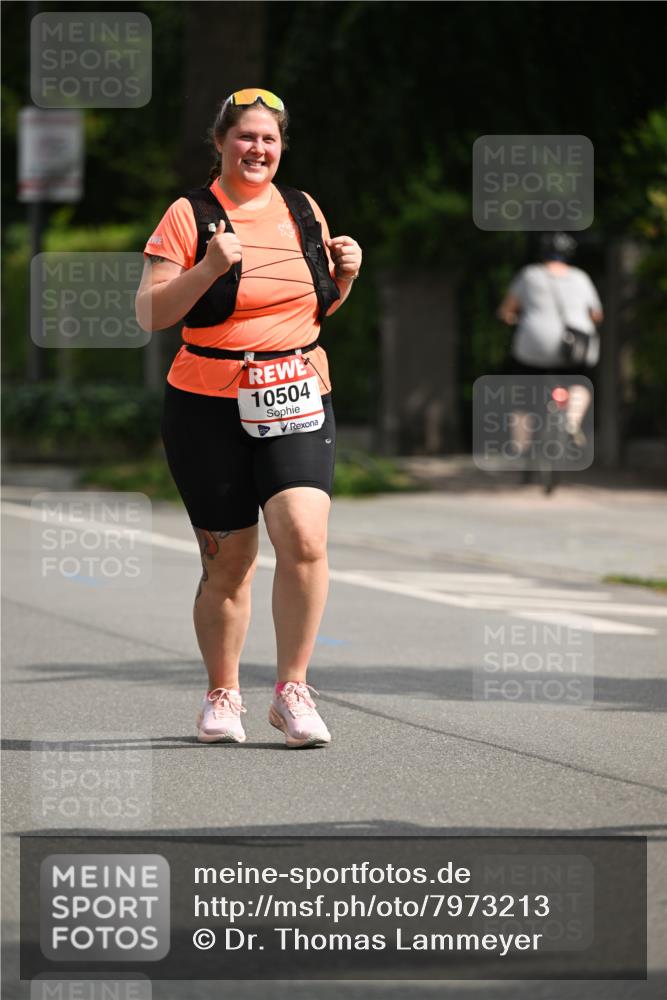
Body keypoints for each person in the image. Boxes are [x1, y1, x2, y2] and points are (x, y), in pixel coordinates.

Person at [135, 88, 362, 748]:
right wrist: (207, 266)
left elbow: (307, 313)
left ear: (281, 146)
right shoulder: (189, 214)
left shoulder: (302, 209)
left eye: (268, 139)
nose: (256, 149)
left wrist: (344, 279)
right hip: (207, 403)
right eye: (244, 137)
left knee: (305, 537)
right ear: (220, 143)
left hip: (297, 389)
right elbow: (150, 315)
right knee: (229, 562)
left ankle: (292, 690)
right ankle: (222, 694)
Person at [497, 232, 603, 453]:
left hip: (535, 345)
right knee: (580, 383)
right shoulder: (581, 277)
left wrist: (512, 319)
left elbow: (507, 310)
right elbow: (596, 315)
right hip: (576, 346)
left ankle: (521, 446)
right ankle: (572, 420)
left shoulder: (529, 275)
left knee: (523, 393)